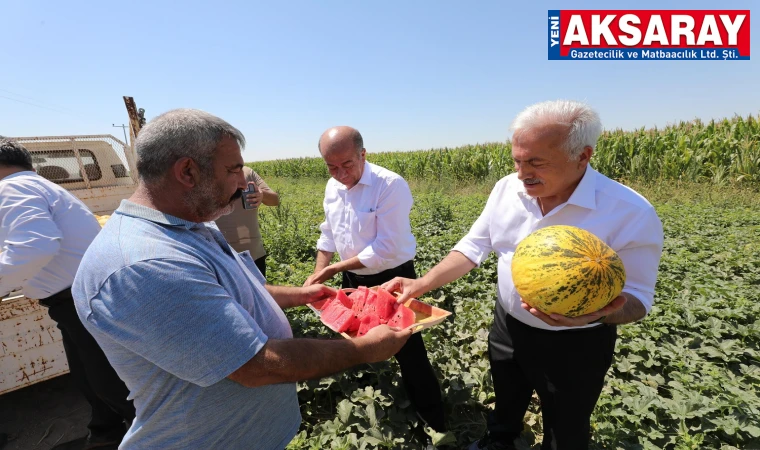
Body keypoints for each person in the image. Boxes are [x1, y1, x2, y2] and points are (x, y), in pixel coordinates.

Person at [71, 109, 412, 450]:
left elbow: (233, 292)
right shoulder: (145, 264)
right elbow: (257, 367)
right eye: (233, 169)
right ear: (187, 171)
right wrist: (363, 349)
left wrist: (301, 295)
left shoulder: (187, 225)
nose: (241, 181)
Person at [383, 100, 664, 450]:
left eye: (535, 162)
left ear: (583, 155)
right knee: (506, 400)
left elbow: (638, 298)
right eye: (517, 160)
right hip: (508, 324)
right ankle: (500, 439)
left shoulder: (630, 211)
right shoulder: (507, 189)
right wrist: (422, 282)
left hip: (577, 344)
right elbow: (474, 245)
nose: (522, 173)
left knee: (567, 425)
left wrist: (600, 313)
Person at [303, 126, 446, 435]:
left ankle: (433, 419)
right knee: (355, 334)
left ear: (363, 154)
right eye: (331, 167)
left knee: (409, 349)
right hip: (352, 274)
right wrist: (319, 270)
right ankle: (368, 388)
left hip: (393, 277)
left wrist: (330, 270)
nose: (340, 173)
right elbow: (328, 233)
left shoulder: (389, 185)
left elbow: (386, 247)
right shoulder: (332, 186)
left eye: (347, 165)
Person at [0, 138, 135, 449]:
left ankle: (174, 436)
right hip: (78, 297)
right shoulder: (34, 184)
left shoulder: (12, 188)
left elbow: (35, 245)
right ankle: (106, 431)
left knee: (109, 383)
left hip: (79, 299)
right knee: (89, 376)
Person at [214, 166, 278, 277]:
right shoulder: (204, 175)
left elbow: (275, 200)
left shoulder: (247, 172)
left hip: (253, 256)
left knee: (258, 293)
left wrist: (262, 195)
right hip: (219, 257)